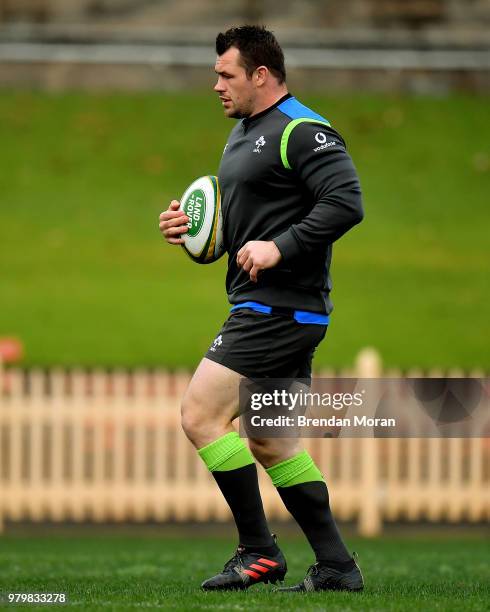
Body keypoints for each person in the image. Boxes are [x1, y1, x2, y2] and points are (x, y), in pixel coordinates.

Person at [159, 25, 364, 593]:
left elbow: (347, 203)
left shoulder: (303, 130)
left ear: (260, 75)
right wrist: (195, 232)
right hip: (276, 307)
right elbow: (246, 230)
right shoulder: (244, 134)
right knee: (272, 441)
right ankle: (337, 568)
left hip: (279, 308)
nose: (216, 85)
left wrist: (282, 247)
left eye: (226, 74)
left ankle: (258, 551)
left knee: (200, 415)